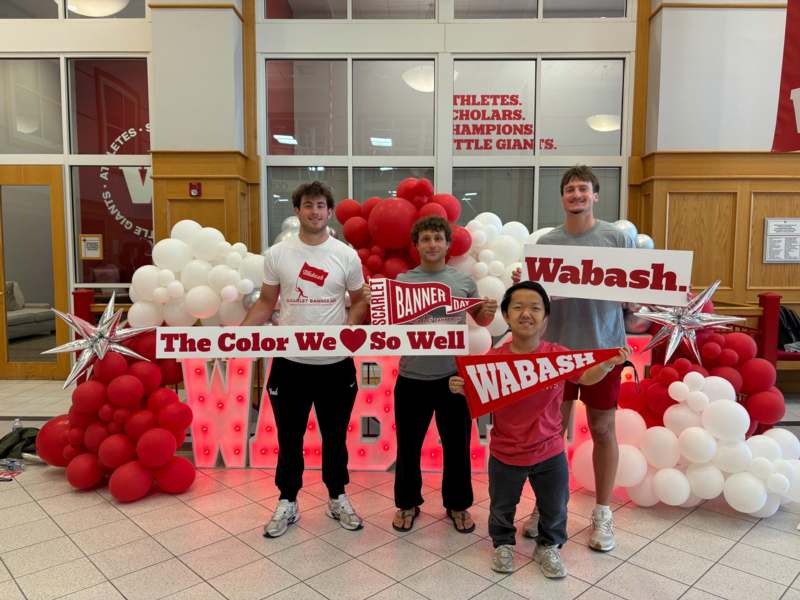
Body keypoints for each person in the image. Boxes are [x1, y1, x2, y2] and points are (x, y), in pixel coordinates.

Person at [449, 281, 630, 577]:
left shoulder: (557, 354)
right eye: (518, 307)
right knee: (501, 507)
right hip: (506, 453)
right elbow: (474, 390)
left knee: (556, 508)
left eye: (535, 308)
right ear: (506, 316)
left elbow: (585, 377)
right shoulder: (495, 358)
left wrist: (608, 365)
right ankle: (503, 545)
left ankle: (548, 547)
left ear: (546, 317)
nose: (526, 314)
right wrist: (460, 386)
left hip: (550, 451)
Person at [515, 165, 635, 552]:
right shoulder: (548, 243)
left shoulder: (616, 238)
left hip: (603, 350)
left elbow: (633, 297)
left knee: (602, 430)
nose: (577, 195)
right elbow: (537, 302)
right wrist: (525, 284)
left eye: (584, 189)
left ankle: (602, 513)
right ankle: (546, 508)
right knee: (550, 435)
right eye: (570, 189)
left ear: (595, 196)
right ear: (563, 197)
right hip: (557, 352)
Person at [242, 181, 368, 538]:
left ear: (330, 212)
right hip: (289, 363)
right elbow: (267, 302)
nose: (314, 211)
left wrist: (349, 329)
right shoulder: (278, 254)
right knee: (289, 437)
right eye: (308, 205)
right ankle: (287, 501)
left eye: (321, 205)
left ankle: (337, 496)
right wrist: (235, 335)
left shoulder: (345, 254)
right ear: (297, 210)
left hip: (335, 364)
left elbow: (359, 299)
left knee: (335, 437)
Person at [391, 216, 497, 533]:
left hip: (453, 379)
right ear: (416, 245)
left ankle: (458, 505)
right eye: (426, 239)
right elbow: (390, 327)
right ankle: (407, 503)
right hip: (411, 377)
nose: (432, 244)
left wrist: (488, 311)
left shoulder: (462, 281)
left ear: (448, 244)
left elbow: (480, 318)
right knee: (408, 446)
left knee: (457, 446)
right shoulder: (403, 281)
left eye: (438, 238)